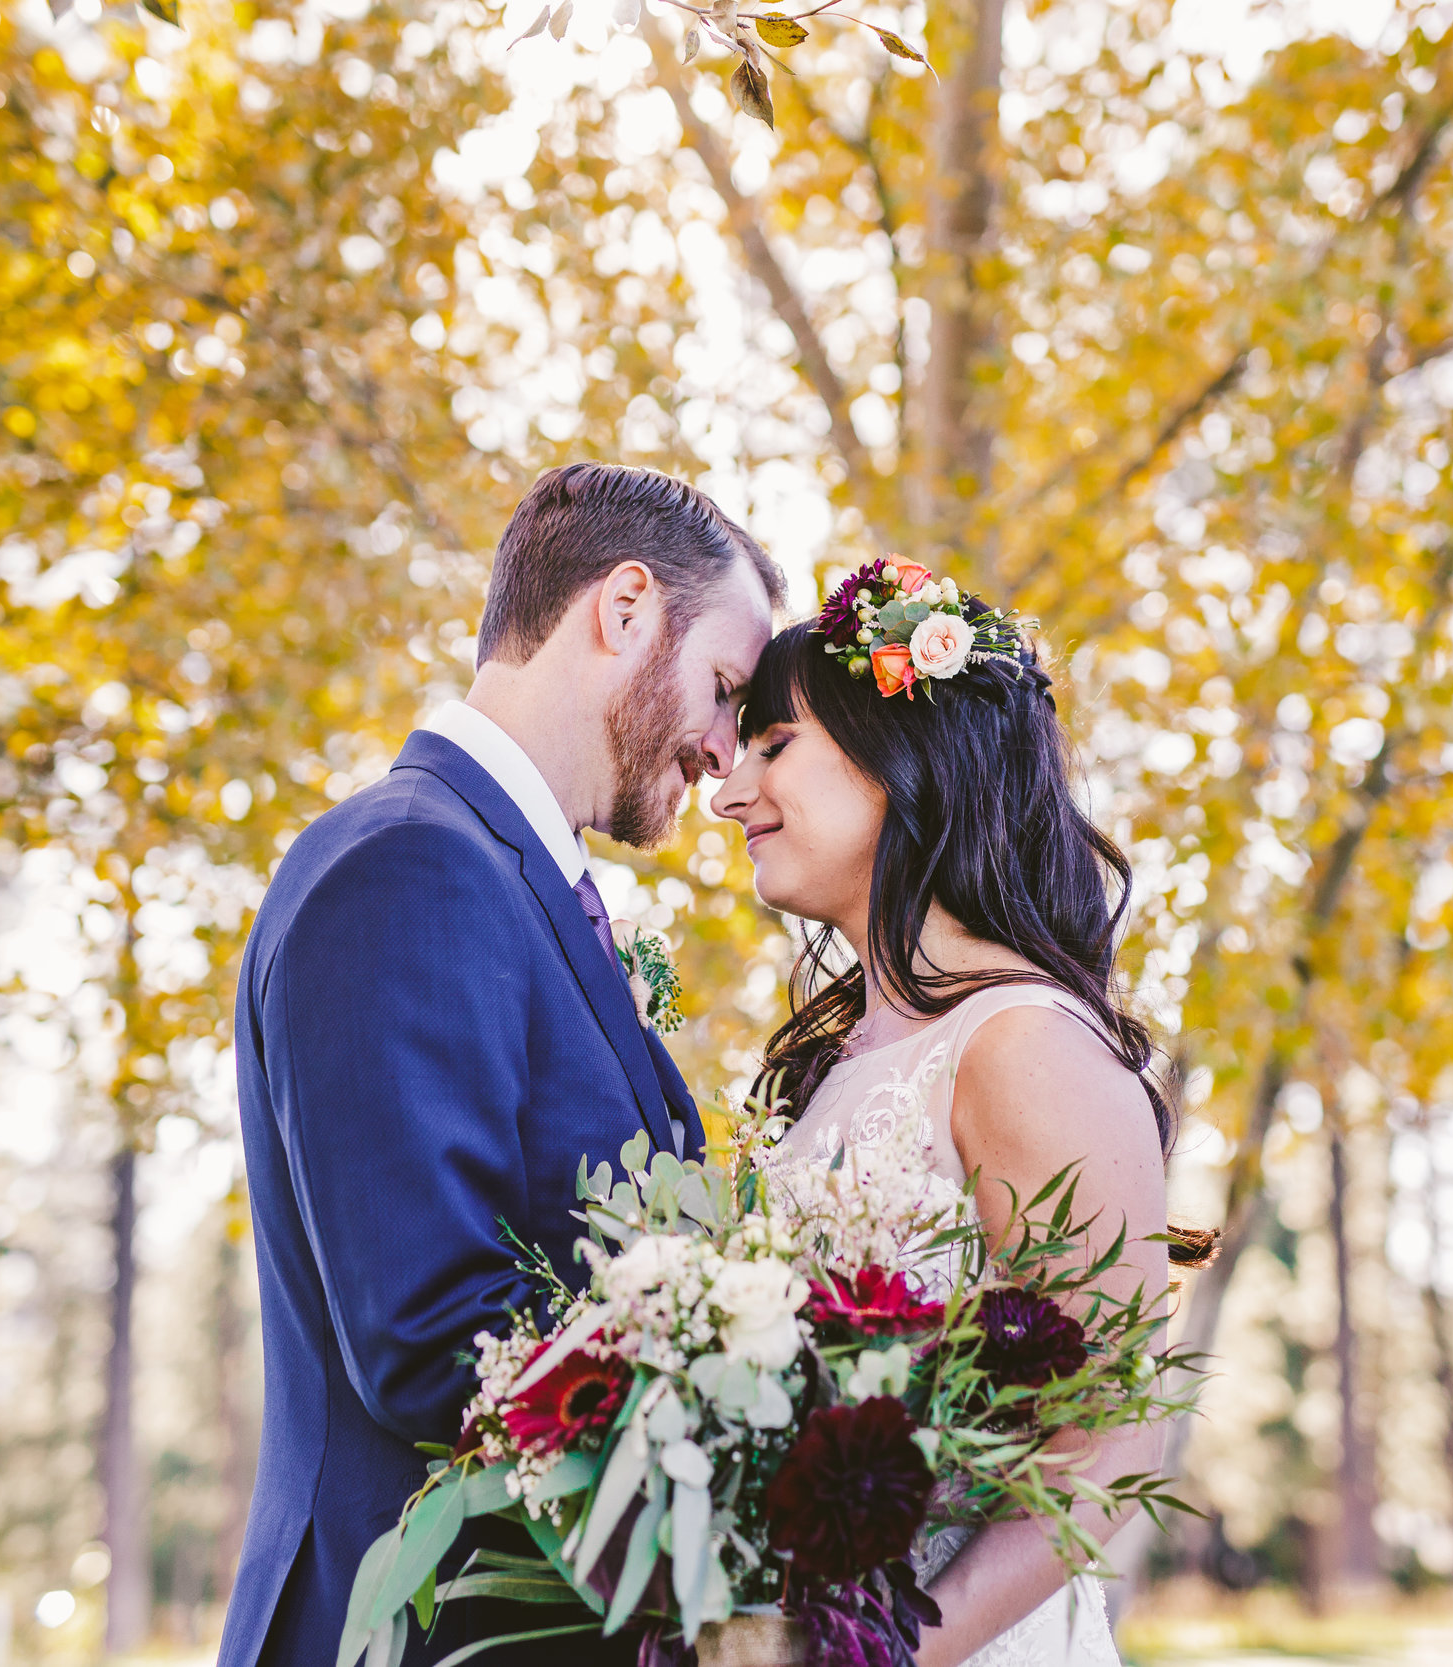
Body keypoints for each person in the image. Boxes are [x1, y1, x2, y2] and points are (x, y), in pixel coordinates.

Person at [218, 464, 782, 1667]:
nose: (727, 756)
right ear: (624, 607)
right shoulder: (409, 867)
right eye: (726, 689)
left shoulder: (504, 876)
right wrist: (773, 1431)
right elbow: (434, 1336)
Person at [711, 559, 1203, 1667]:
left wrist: (882, 1650)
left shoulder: (1023, 1045)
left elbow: (1109, 1434)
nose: (730, 789)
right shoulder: (834, 1062)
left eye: (772, 745)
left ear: (902, 755)